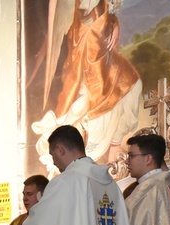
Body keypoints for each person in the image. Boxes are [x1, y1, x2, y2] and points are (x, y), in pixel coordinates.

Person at [32, 0, 142, 172]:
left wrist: (113, 21)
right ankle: (100, 165)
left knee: (132, 86)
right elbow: (85, 12)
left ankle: (112, 166)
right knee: (85, 112)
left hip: (101, 61)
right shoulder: (81, 17)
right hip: (88, 66)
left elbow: (104, 13)